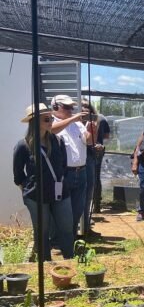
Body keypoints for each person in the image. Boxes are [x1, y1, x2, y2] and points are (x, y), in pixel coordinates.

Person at [13, 104, 74, 260]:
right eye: (46, 118)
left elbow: (64, 167)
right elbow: (18, 175)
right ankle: (45, 265)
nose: (51, 121)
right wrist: (29, 192)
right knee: (42, 231)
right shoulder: (23, 145)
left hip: (60, 193)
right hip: (36, 196)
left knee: (67, 228)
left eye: (51, 118)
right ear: (34, 121)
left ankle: (71, 261)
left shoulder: (58, 141)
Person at [50, 94, 91, 238]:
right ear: (55, 107)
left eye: (71, 107)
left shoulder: (78, 124)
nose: (70, 110)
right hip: (63, 174)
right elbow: (52, 130)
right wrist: (73, 118)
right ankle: (57, 239)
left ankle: (70, 238)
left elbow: (88, 140)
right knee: (61, 209)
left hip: (81, 171)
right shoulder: (50, 122)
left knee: (77, 209)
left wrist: (92, 127)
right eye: (66, 107)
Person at [81, 99, 110, 215]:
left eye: (86, 106)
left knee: (93, 179)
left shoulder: (99, 119)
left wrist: (99, 144)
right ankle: (94, 207)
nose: (84, 109)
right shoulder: (76, 121)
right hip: (90, 151)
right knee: (92, 179)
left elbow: (106, 135)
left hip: (93, 152)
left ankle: (95, 206)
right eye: (82, 106)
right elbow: (107, 136)